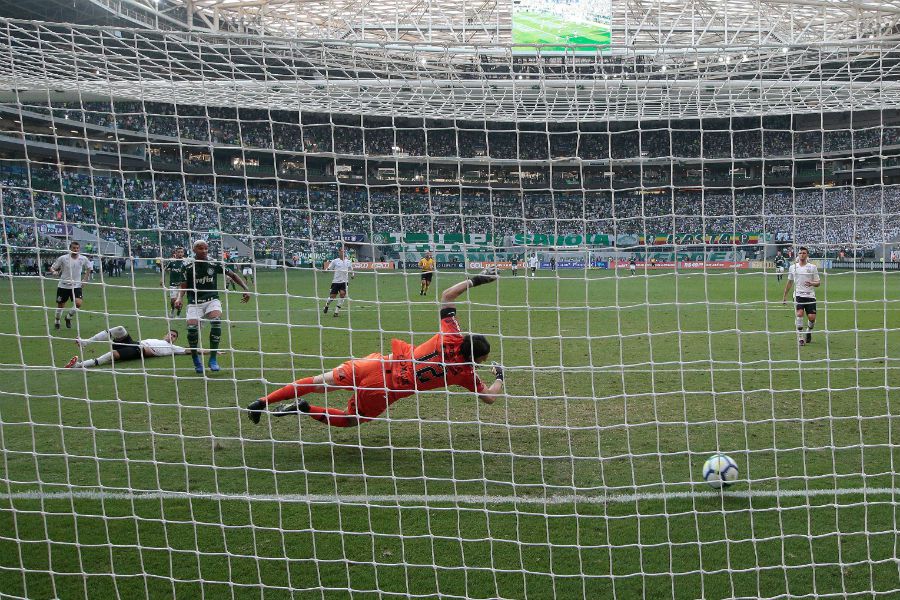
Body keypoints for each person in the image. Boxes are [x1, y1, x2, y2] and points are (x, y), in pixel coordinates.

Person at [246, 268, 505, 427]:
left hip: (376, 365)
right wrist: (501, 377)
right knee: (350, 419)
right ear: (477, 359)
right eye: (483, 359)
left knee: (318, 381)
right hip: (383, 390)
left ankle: (262, 400)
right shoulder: (465, 373)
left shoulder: (452, 334)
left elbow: (448, 295)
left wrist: (478, 280)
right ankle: (305, 408)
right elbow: (490, 398)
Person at [174, 240, 251, 373]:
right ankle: (196, 360)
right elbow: (183, 285)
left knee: (216, 322)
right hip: (194, 302)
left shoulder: (214, 263)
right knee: (192, 330)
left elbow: (232, 274)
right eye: (200, 248)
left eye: (206, 248)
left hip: (212, 300)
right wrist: (180, 298)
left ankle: (213, 359)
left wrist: (245, 288)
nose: (204, 251)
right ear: (194, 250)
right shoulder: (187, 265)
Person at [63, 325, 210, 369]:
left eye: (174, 336)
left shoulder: (174, 348)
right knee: (120, 329)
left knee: (112, 355)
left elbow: (190, 350)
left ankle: (79, 365)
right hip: (134, 343)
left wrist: (212, 352)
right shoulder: (158, 339)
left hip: (138, 351)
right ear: (165, 334)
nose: (171, 337)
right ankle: (85, 342)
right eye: (170, 334)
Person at [782, 246, 821, 346]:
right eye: (800, 253)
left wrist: (812, 283)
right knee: (799, 314)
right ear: (798, 255)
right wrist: (785, 296)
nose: (802, 255)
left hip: (810, 296)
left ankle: (808, 331)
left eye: (804, 253)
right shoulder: (793, 267)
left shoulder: (812, 267)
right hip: (798, 295)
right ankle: (800, 338)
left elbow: (818, 283)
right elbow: (789, 282)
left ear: (807, 255)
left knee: (812, 317)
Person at [50, 241, 93, 330]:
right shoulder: (63, 258)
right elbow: (52, 267)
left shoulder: (83, 258)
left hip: (76, 286)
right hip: (63, 285)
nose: (75, 250)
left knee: (78, 303)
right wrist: (54, 272)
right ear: (70, 248)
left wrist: (85, 279)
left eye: (77, 248)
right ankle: (57, 321)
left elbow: (89, 268)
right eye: (74, 248)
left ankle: (68, 317)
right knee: (60, 306)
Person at [322, 248, 354, 317]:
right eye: (341, 251)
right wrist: (326, 270)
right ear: (339, 252)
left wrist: (352, 275)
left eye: (343, 251)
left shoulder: (348, 261)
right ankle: (326, 306)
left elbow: (351, 270)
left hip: (344, 282)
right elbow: (329, 268)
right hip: (336, 282)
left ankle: (336, 311)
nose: (342, 253)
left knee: (342, 294)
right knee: (332, 297)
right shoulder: (335, 261)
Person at [161, 246, 188, 317]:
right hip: (172, 284)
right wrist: (162, 279)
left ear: (183, 253)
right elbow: (164, 269)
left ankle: (178, 314)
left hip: (182, 284)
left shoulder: (186, 261)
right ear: (175, 253)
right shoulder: (171, 261)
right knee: (173, 300)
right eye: (178, 252)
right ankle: (173, 309)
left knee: (179, 300)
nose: (180, 253)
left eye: (181, 252)